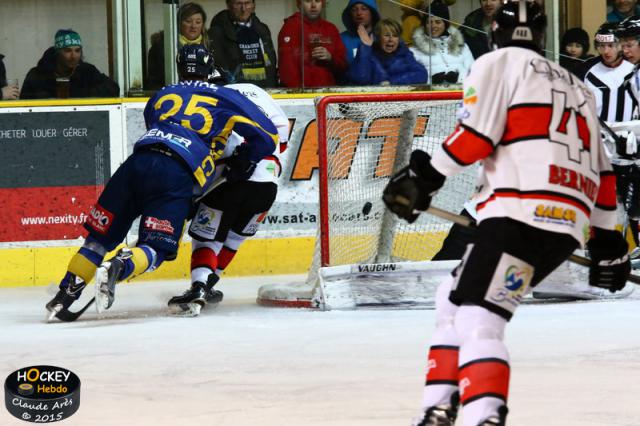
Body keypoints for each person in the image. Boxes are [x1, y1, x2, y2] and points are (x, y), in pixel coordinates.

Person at [382, 2, 631, 424]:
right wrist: (608, 240)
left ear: (494, 30)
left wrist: (425, 178)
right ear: (541, 32)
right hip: (565, 224)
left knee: (478, 315)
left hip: (517, 211)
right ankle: (438, 408)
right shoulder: (577, 84)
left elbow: (477, 134)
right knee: (452, 299)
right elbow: (603, 170)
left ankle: (484, 414)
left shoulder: (495, 62)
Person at [45, 45, 279, 321]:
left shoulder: (163, 94)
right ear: (210, 68)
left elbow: (154, 122)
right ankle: (123, 263)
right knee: (157, 247)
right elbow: (268, 136)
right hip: (176, 173)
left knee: (97, 240)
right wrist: (244, 159)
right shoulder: (225, 96)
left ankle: (63, 296)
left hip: (136, 164)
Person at [168, 82, 289, 316]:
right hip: (267, 186)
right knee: (235, 238)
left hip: (228, 182)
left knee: (206, 240)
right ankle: (210, 284)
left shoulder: (211, 99)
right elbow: (281, 135)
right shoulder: (257, 91)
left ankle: (200, 286)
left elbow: (208, 147)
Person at [20, 29, 119, 99]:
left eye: (77, 50)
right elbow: (24, 104)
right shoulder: (37, 74)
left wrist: (82, 96)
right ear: (57, 53)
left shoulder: (87, 71)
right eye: (68, 51)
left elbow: (113, 88)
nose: (74, 56)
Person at [278, 0, 348, 88]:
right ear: (299, 4)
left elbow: (343, 66)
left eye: (318, 1)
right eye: (308, 1)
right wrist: (298, 96)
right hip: (301, 95)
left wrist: (330, 58)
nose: (314, 5)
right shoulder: (290, 28)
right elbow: (287, 70)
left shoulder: (331, 28)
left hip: (328, 93)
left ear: (322, 3)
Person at [208, 0, 277, 87]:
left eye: (247, 3)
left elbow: (271, 64)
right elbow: (217, 69)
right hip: (233, 93)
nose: (243, 9)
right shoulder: (216, 32)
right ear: (229, 5)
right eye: (238, 4)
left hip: (263, 92)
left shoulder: (262, 29)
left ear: (253, 5)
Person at [146, 2, 209, 90]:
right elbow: (154, 82)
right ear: (179, 23)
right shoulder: (162, 48)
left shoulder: (210, 47)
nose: (193, 26)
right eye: (188, 21)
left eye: (198, 22)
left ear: (203, 25)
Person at [346, 18, 427, 85]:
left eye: (395, 36)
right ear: (378, 37)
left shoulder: (405, 54)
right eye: (387, 35)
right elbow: (360, 78)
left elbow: (422, 74)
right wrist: (365, 47)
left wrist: (391, 82)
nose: (391, 40)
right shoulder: (368, 54)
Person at [410, 1, 474, 85]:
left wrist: (459, 78)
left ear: (445, 24)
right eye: (429, 22)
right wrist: (430, 81)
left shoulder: (462, 46)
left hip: (461, 94)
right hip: (433, 96)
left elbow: (473, 72)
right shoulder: (414, 51)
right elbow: (412, 79)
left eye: (438, 22)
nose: (433, 26)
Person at [583, 23, 637, 122]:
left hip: (631, 134)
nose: (606, 51)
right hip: (599, 134)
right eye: (601, 46)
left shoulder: (634, 69)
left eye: (611, 45)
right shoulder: (586, 70)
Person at [340, 0, 381, 65]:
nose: (359, 13)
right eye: (354, 10)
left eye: (364, 9)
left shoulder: (383, 37)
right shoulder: (341, 39)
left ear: (372, 13)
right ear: (350, 14)